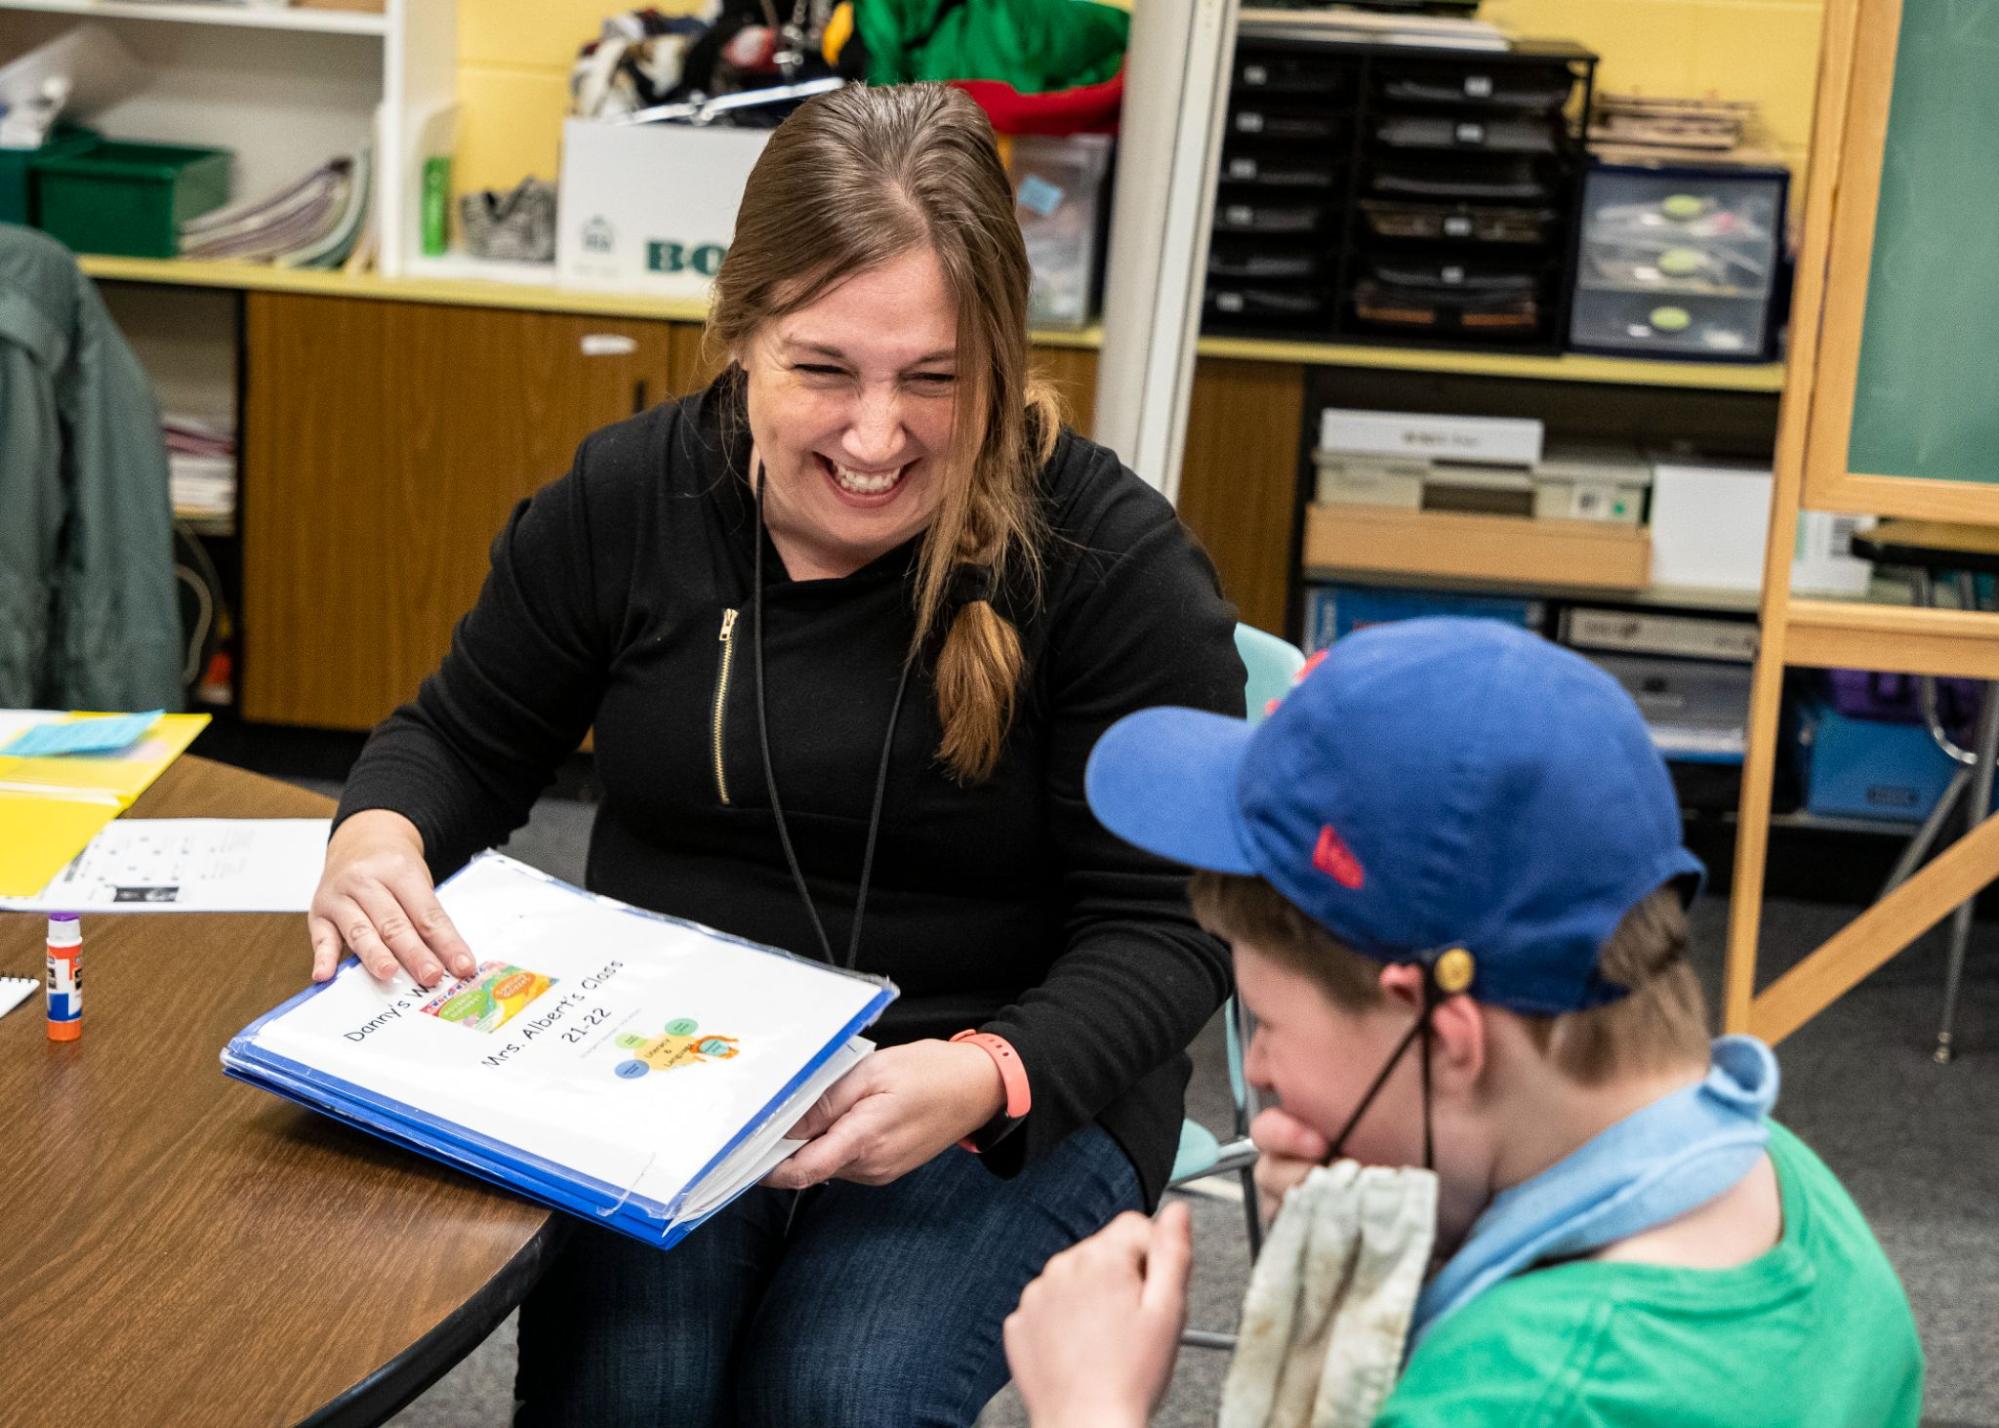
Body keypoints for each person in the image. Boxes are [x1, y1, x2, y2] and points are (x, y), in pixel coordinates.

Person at [305, 83, 1244, 1426]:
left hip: (992, 1072)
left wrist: (985, 1074)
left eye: (933, 380)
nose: (875, 438)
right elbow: (455, 738)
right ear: (735, 335)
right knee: (630, 1392)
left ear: (999, 354)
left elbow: (1173, 925)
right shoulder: (630, 497)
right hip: (669, 1066)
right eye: (821, 371)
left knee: (831, 1394)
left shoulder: (1104, 561)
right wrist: (377, 838)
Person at [1005, 617, 1924, 1427]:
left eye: (1270, 1028)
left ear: (1445, 1043)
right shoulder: (1787, 1188)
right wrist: (1409, 1256)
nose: (1263, 1075)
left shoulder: (1525, 1395)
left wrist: (1089, 1408)